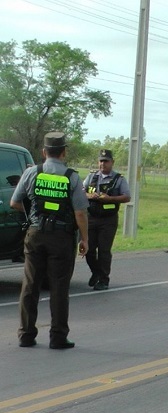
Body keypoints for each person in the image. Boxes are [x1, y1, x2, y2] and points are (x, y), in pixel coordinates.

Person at [10, 132, 89, 349]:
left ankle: (26, 335)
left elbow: (14, 202)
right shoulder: (71, 177)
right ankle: (58, 337)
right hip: (62, 239)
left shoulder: (31, 172)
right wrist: (85, 239)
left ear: (44, 152)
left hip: (35, 235)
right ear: (63, 152)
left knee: (30, 285)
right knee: (59, 288)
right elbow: (80, 213)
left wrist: (34, 216)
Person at [82, 149, 131, 290]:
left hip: (108, 220)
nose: (103, 164)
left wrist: (110, 199)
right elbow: (80, 191)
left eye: (106, 161)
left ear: (112, 162)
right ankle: (96, 272)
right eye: (101, 161)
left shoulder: (119, 179)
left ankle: (104, 279)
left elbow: (127, 197)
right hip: (91, 218)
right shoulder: (91, 177)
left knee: (104, 251)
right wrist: (89, 196)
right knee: (88, 249)